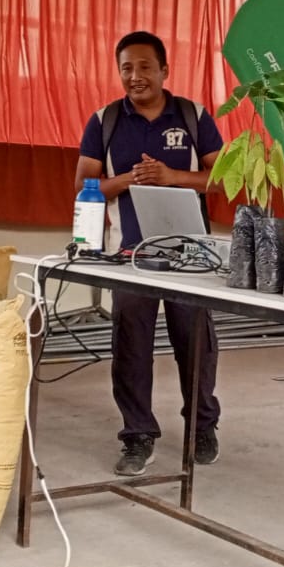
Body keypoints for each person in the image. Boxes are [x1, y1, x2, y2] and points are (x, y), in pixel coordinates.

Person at [76, 31, 225, 476]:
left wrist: (172, 176)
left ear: (164, 70)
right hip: (129, 255)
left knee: (196, 344)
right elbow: (84, 187)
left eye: (144, 67)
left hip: (191, 255)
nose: (135, 76)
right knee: (131, 347)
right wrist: (130, 179)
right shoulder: (104, 121)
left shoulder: (194, 116)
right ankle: (137, 435)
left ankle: (201, 426)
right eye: (126, 68)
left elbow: (222, 179)